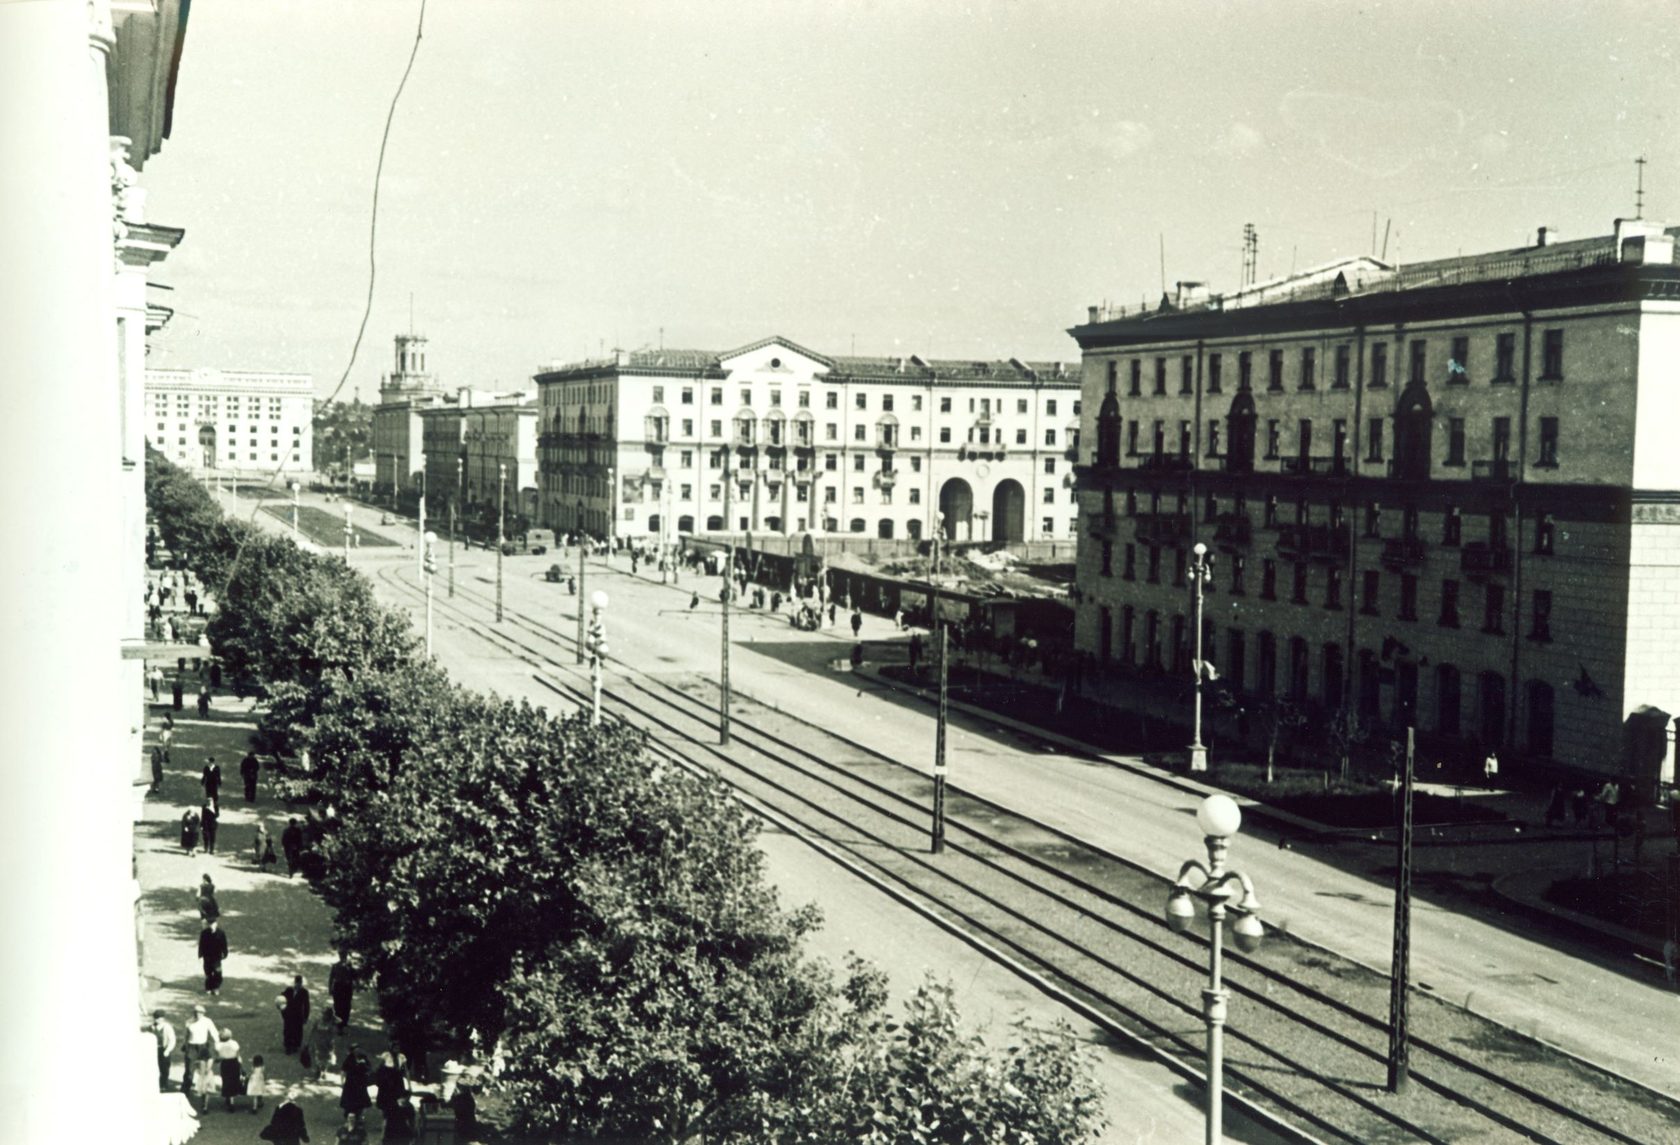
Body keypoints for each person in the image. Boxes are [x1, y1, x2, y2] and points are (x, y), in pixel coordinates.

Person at [182, 1004, 219, 1096]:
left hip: (203, 1047)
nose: (198, 1015)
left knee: (204, 1069)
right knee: (189, 1069)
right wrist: (185, 1045)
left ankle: (203, 1088)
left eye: (201, 1013)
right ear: (194, 1013)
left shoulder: (207, 1021)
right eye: (197, 1013)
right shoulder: (189, 1022)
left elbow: (214, 1033)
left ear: (203, 1014)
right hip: (191, 1046)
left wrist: (218, 1045)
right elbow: (186, 1035)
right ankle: (186, 1088)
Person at [373, 1051, 408, 1128]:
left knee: (396, 1102)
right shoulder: (386, 1055)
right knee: (385, 1103)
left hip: (397, 1082)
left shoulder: (401, 1056)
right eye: (394, 1047)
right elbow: (379, 1067)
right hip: (387, 1082)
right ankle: (384, 1122)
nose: (396, 1049)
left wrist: (409, 1083)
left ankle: (394, 1123)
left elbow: (405, 1070)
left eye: (398, 1047)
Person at [340, 1043, 373, 1124]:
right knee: (350, 1100)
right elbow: (343, 1070)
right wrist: (342, 1081)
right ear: (352, 1051)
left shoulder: (364, 1058)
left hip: (361, 1083)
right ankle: (349, 1118)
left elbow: (369, 1069)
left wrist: (365, 1068)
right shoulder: (349, 1059)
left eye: (358, 1049)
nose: (357, 1051)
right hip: (350, 1083)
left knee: (361, 1100)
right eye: (355, 1050)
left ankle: (359, 1117)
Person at [281, 974, 312, 1055]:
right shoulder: (289, 990)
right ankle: (288, 1046)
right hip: (288, 1014)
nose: (298, 985)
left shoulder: (304, 992)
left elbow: (306, 1005)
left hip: (298, 1015)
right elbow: (281, 998)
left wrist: (306, 1016)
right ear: (295, 982)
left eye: (300, 983)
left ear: (301, 983)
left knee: (297, 1031)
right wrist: (283, 1011)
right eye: (297, 983)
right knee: (287, 1030)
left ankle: (295, 1046)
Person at [216, 1027, 245, 1112]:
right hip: (234, 1063)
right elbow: (238, 1055)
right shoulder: (234, 1043)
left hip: (225, 1064)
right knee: (233, 1080)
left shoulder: (218, 1045)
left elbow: (219, 1057)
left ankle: (229, 1098)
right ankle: (231, 1100)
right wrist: (241, 1066)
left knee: (226, 1080)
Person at [198, 918, 227, 995]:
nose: (212, 926)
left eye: (213, 924)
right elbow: (201, 945)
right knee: (208, 973)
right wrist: (200, 955)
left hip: (217, 957)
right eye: (210, 924)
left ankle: (216, 987)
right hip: (207, 957)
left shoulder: (221, 933)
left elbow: (224, 944)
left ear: (216, 924)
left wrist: (225, 953)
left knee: (218, 973)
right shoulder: (204, 933)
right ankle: (208, 988)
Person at [150, 1009, 177, 1092]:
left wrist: (168, 1050)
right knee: (154, 1068)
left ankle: (163, 1085)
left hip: (164, 1050)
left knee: (164, 1069)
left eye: (159, 1018)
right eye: (156, 1018)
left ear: (163, 1019)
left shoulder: (167, 1027)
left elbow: (172, 1040)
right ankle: (155, 1085)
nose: (157, 1020)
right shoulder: (151, 1027)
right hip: (154, 1050)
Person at [328, 951, 355, 1032]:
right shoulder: (336, 966)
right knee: (339, 1007)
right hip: (339, 987)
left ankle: (344, 1022)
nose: (343, 957)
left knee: (345, 1006)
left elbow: (353, 977)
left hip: (346, 988)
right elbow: (331, 978)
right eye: (342, 955)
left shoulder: (349, 966)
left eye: (344, 955)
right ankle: (340, 1025)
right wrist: (330, 988)